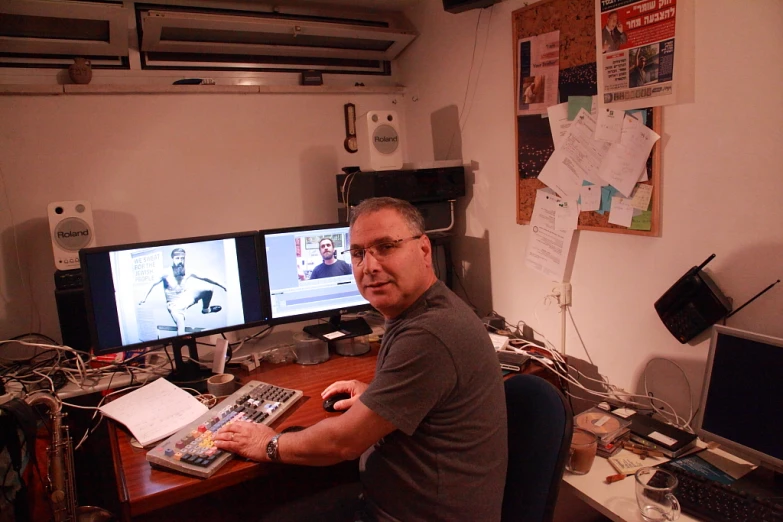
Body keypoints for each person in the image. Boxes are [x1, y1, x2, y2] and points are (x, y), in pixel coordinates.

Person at [214, 197, 508, 521]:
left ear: (424, 251)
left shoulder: (431, 334)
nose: (369, 266)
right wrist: (377, 395)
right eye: (358, 253)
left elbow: (344, 443)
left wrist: (268, 443)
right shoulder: (422, 311)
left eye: (385, 247)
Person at [138, 248, 227, 336]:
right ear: (172, 259)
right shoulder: (165, 272)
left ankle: (206, 310)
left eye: (182, 258)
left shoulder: (188, 271)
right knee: (181, 327)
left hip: (186, 297)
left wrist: (223, 285)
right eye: (177, 258)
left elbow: (205, 277)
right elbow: (152, 284)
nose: (180, 261)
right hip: (174, 304)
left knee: (209, 288)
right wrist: (143, 298)